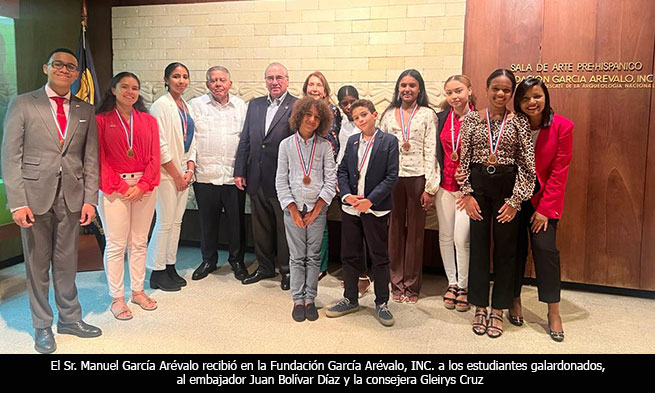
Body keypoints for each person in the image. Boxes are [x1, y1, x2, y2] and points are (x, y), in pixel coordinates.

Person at [1, 48, 101, 353]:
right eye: (58, 64)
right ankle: (42, 325)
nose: (64, 70)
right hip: (33, 198)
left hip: (71, 198)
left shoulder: (85, 109)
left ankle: (70, 318)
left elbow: (91, 158)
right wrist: (17, 202)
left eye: (70, 67)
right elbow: (10, 156)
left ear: (76, 74)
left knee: (67, 262)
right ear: (47, 68)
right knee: (37, 264)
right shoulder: (23, 103)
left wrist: (90, 199)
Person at [458, 69, 535, 338]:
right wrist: (466, 194)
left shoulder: (520, 123)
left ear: (511, 93)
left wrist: (516, 201)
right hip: (478, 188)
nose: (500, 94)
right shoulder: (471, 120)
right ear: (487, 88)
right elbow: (463, 161)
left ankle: (499, 308)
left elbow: (527, 167)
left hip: (508, 189)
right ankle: (479, 305)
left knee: (506, 251)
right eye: (495, 88)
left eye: (506, 90)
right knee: (478, 247)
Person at [510, 77, 573, 342]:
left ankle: (553, 312)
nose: (531, 102)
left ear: (545, 97)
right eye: (525, 98)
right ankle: (514, 299)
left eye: (537, 96)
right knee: (513, 251)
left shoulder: (562, 126)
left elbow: (560, 171)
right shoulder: (513, 124)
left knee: (545, 252)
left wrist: (545, 209)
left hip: (543, 201)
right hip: (514, 199)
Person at [326, 99, 399, 326]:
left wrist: (370, 200)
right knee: (349, 255)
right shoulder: (352, 141)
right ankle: (350, 298)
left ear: (374, 115)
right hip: (351, 208)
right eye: (356, 117)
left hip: (374, 208)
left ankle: (382, 302)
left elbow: (391, 177)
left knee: (379, 256)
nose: (360, 120)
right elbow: (343, 172)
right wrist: (347, 196)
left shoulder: (389, 141)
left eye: (364, 115)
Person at [96, 72, 160, 319]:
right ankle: (117, 298)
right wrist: (123, 188)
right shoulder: (100, 121)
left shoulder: (148, 120)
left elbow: (155, 156)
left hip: (144, 187)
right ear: (113, 90)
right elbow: (99, 159)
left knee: (139, 241)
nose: (130, 92)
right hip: (115, 188)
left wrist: (142, 186)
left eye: (135, 88)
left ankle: (137, 290)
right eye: (124, 87)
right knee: (116, 244)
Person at [234, 62, 298, 290]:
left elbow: (299, 144)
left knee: (284, 227)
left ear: (287, 80)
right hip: (256, 176)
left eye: (279, 77)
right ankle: (264, 266)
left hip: (283, 179)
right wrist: (240, 170)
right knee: (260, 226)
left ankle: (287, 270)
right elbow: (246, 139)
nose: (274, 82)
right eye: (270, 78)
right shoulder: (256, 105)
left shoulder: (296, 105)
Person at [379, 69, 439, 304]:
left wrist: (430, 187)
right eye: (403, 85)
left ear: (419, 90)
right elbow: (380, 148)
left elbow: (431, 150)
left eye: (412, 85)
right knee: (394, 230)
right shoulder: (388, 115)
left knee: (415, 233)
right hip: (393, 178)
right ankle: (396, 282)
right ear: (398, 88)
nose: (407, 89)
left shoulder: (427, 115)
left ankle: (412, 286)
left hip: (417, 178)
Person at [275, 97, 336, 322]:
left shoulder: (324, 146)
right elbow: (281, 180)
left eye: (317, 117)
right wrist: (292, 210)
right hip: (293, 209)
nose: (312, 120)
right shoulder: (286, 145)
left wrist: (317, 210)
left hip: (316, 210)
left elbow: (330, 180)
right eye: (308, 115)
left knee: (313, 257)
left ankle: (310, 298)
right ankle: (297, 299)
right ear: (299, 115)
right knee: (296, 257)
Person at [189, 66, 248, 282]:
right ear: (207, 84)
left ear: (230, 84)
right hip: (205, 175)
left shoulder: (241, 106)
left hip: (234, 177)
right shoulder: (195, 106)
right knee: (207, 222)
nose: (218, 84)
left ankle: (237, 261)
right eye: (213, 80)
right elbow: (189, 139)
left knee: (236, 223)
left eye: (222, 80)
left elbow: (246, 141)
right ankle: (208, 260)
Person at [146, 62, 196, 292]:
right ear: (166, 80)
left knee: (176, 223)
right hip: (167, 175)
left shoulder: (185, 106)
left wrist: (190, 169)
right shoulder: (160, 106)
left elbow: (192, 139)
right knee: (164, 223)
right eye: (176, 76)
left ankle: (170, 265)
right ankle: (156, 272)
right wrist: (176, 174)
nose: (181, 81)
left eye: (185, 76)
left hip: (184, 174)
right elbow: (160, 145)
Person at [435, 75, 476, 311]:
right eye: (449, 92)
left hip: (466, 191)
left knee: (462, 239)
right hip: (444, 186)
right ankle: (451, 283)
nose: (454, 97)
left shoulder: (480, 120)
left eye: (458, 91)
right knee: (446, 237)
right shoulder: (441, 118)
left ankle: (464, 285)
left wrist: (470, 181)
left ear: (469, 91)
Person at [302, 71, 341, 279]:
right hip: (301, 173)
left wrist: (332, 177)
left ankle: (319, 265)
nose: (314, 88)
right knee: (301, 218)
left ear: (325, 90)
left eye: (318, 85)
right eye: (311, 85)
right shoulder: (299, 110)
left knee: (319, 220)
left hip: (322, 172)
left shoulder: (332, 111)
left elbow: (334, 145)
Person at [336, 85, 372, 297]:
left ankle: (364, 277)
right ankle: (353, 274)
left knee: (364, 229)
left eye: (352, 101)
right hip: (347, 182)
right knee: (350, 232)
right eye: (345, 103)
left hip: (365, 182)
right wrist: (339, 181)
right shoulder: (342, 124)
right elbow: (341, 153)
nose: (349, 106)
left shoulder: (365, 122)